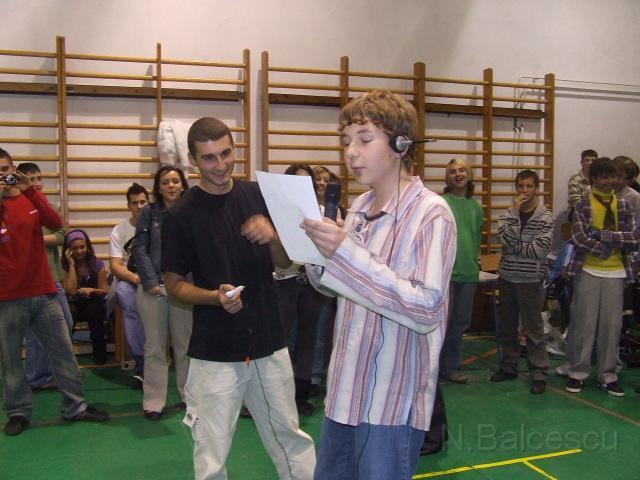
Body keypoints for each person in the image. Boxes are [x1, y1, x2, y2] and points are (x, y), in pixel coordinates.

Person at [302, 90, 456, 479]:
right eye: (347, 141)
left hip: (391, 404)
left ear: (401, 145)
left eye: (365, 139)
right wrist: (316, 255)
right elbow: (338, 288)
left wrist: (345, 253)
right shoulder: (358, 208)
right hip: (344, 394)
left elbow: (426, 310)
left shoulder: (431, 214)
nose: (351, 152)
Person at [162, 117, 316, 479]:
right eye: (209, 158)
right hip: (215, 349)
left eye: (226, 153)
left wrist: (273, 238)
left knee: (290, 437)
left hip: (268, 340)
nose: (220, 165)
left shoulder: (257, 196)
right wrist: (213, 297)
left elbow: (285, 263)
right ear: (193, 160)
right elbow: (174, 285)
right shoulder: (181, 215)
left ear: (235, 149)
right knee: (211, 453)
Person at [0, 147, 108, 436]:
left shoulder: (29, 199)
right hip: (7, 297)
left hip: (45, 291)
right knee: (11, 360)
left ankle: (76, 406)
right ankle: (18, 412)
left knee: (63, 352)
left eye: (5, 170)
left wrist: (30, 191)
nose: (2, 176)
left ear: (13, 170)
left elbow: (57, 224)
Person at [563, 157, 640, 397]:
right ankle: (578, 371)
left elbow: (633, 236)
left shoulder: (624, 205)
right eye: (605, 177)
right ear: (594, 179)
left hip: (616, 273)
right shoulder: (583, 204)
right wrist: (607, 248)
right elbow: (580, 238)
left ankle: (608, 375)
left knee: (611, 326)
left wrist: (602, 235)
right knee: (583, 324)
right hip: (588, 270)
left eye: (613, 176)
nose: (610, 182)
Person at [133, 165, 192, 420]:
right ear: (159, 187)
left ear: (183, 185)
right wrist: (150, 281)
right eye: (165, 182)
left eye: (175, 181)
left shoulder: (192, 211)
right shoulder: (149, 212)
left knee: (185, 346)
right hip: (154, 287)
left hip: (183, 289)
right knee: (155, 348)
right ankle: (154, 402)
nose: (171, 186)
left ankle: (189, 398)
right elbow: (140, 248)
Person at [491, 170, 554, 394]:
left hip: (531, 280)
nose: (524, 190)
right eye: (520, 186)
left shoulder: (546, 217)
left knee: (533, 329)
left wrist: (514, 247)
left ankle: (538, 372)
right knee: (507, 327)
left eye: (529, 186)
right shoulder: (508, 214)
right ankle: (508, 367)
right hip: (508, 277)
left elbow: (540, 250)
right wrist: (515, 213)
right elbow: (504, 238)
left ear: (536, 188)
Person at [274, 164, 327, 416]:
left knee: (308, 339)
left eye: (308, 182)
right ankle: (275, 396)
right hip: (283, 280)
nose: (303, 186)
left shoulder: (322, 212)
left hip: (312, 283)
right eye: (297, 181)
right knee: (280, 340)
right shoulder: (277, 211)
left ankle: (301, 395)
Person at [15, 161, 73, 391]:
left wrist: (35, 240)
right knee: (34, 335)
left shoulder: (46, 205)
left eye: (39, 178)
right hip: (29, 282)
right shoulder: (16, 206)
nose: (36, 183)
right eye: (31, 180)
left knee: (65, 323)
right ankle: (36, 378)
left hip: (53, 278)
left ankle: (55, 372)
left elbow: (62, 234)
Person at [439, 158, 484, 384]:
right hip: (445, 276)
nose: (458, 174)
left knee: (459, 325)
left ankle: (452, 367)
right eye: (453, 171)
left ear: (469, 174)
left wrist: (474, 263)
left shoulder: (476, 207)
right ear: (447, 178)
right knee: (441, 325)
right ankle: (433, 369)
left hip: (468, 275)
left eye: (462, 170)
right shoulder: (441, 203)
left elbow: (476, 238)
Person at [109, 182, 149, 386]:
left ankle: (159, 361)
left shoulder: (157, 226)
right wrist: (136, 279)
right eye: (135, 203)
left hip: (154, 278)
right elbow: (115, 266)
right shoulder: (119, 230)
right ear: (128, 206)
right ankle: (142, 364)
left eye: (143, 202)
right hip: (128, 279)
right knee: (129, 302)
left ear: (148, 203)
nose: (139, 206)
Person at [62, 229, 110, 364]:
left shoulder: (97, 264)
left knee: (95, 310)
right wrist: (71, 266)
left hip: (93, 302)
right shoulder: (65, 266)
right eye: (74, 248)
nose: (79, 251)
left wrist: (91, 290)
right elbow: (71, 291)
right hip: (74, 303)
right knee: (69, 311)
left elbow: (104, 291)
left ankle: (99, 355)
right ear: (69, 250)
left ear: (87, 246)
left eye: (82, 247)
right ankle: (65, 357)